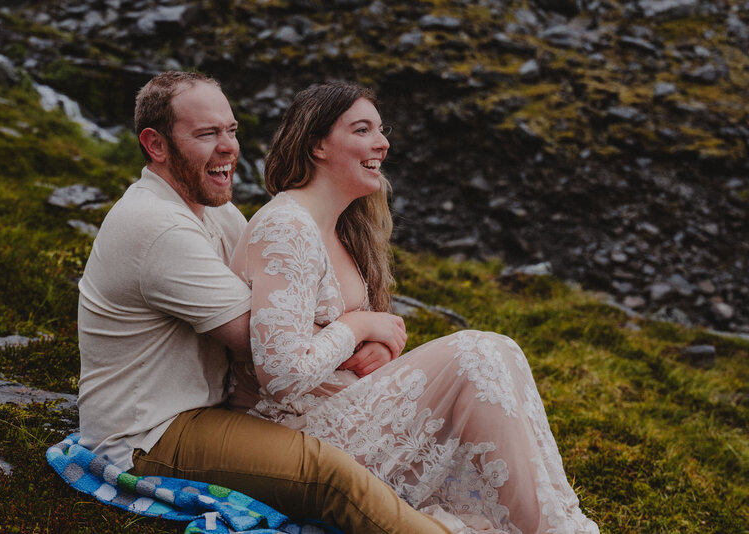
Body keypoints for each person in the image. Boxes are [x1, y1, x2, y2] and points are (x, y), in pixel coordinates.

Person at [76, 71, 452, 534]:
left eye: (231, 130)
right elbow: (264, 344)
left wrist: (376, 335)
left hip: (205, 412)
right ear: (155, 145)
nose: (229, 146)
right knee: (328, 473)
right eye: (207, 134)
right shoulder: (158, 228)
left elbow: (287, 324)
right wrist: (360, 328)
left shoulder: (218, 212)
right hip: (148, 434)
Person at [228, 82, 600, 534]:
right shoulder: (286, 226)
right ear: (317, 145)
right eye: (362, 129)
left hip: (347, 410)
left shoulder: (341, 228)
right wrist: (359, 323)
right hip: (298, 436)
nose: (382, 143)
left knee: (502, 352)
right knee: (476, 354)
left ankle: (557, 524)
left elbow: (329, 335)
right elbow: (281, 373)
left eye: (381, 130)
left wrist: (380, 345)